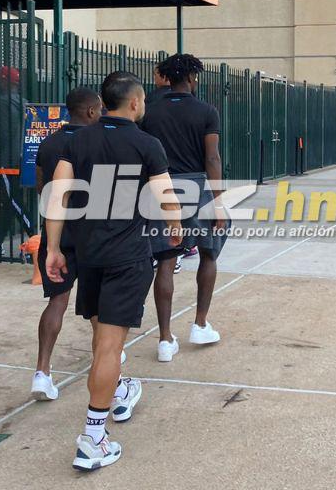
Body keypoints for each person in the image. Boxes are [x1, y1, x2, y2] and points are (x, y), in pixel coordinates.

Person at [44, 71, 181, 471]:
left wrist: (53, 248)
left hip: (88, 255)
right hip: (127, 256)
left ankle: (118, 389)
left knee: (103, 334)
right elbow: (167, 196)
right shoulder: (146, 144)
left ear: (103, 104)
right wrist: (176, 231)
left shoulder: (77, 139)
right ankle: (94, 437)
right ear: (135, 103)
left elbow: (58, 196)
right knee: (109, 345)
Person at [139, 54, 228, 363]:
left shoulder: (149, 111)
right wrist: (218, 201)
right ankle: (200, 324)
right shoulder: (206, 111)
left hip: (160, 187)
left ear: (166, 77)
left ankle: (165, 340)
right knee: (209, 253)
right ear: (192, 78)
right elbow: (212, 158)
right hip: (197, 187)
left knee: (166, 261)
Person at [30, 87, 102, 401]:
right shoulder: (99, 142)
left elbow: (43, 189)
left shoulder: (48, 143)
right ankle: (107, 360)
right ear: (89, 111)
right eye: (99, 109)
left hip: (56, 234)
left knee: (57, 301)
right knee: (99, 307)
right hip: (91, 234)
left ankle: (42, 372)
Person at [145, 66, 195, 271]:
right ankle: (182, 250)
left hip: (157, 172)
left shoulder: (150, 104)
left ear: (165, 76)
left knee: (159, 222)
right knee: (179, 220)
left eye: (156, 73)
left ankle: (163, 253)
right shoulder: (202, 108)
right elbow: (211, 155)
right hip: (190, 176)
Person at [0, 66, 32, 256]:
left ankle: (35, 235)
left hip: (5, 160)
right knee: (8, 201)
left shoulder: (2, 103)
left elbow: (0, 134)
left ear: (6, 82)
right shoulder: (24, 103)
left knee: (12, 200)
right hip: (21, 159)